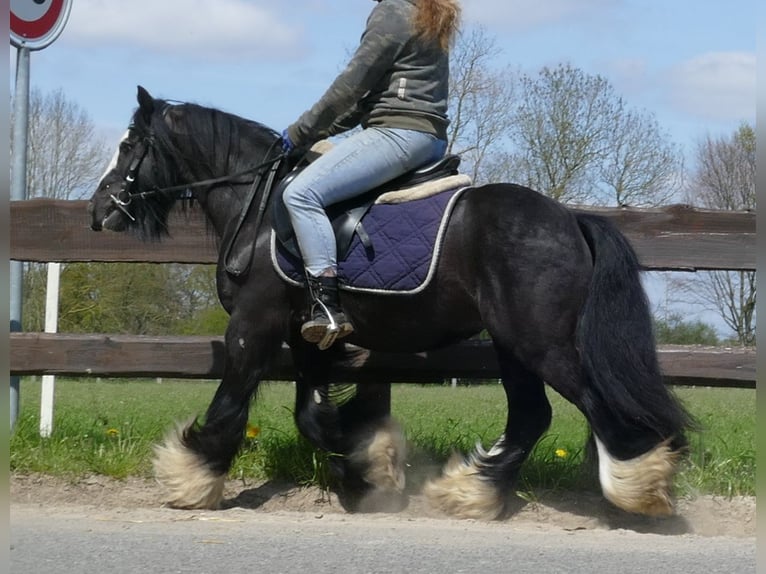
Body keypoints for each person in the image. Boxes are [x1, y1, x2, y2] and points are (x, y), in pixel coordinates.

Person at [281, 0, 461, 348]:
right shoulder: (427, 11)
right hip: (429, 137)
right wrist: (321, 131)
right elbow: (367, 99)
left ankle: (327, 308)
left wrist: (300, 132)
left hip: (398, 134)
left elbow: (350, 86)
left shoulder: (394, 11)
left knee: (301, 195)